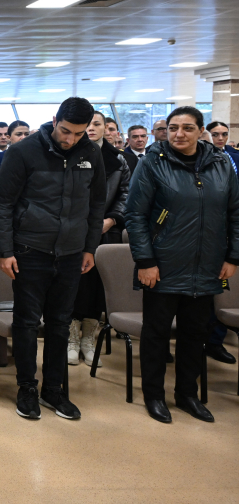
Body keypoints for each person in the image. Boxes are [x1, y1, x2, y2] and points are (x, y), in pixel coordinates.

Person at [0, 97, 105, 421]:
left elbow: (97, 206)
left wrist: (90, 248)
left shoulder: (91, 153)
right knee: (27, 323)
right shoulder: (24, 151)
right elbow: (1, 204)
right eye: (66, 130)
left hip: (70, 254)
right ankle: (27, 388)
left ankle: (54, 389)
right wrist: (4, 251)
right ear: (54, 120)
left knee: (59, 323)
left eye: (79, 133)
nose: (70, 139)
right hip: (30, 250)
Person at [125, 106, 239, 424]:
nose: (179, 134)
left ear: (201, 131)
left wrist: (233, 256)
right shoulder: (153, 163)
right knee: (157, 333)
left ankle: (187, 394)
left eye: (187, 128)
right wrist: (145, 260)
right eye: (174, 127)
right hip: (163, 264)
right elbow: (135, 216)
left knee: (195, 333)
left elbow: (235, 212)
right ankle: (154, 395)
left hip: (208, 265)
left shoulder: (220, 164)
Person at [68, 111, 130, 366]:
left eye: (97, 124)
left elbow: (126, 194)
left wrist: (112, 219)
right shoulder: (71, 154)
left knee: (97, 288)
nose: (91, 128)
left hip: (106, 232)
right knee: (74, 284)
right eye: (88, 124)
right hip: (74, 230)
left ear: (108, 128)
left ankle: (88, 340)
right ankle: (71, 338)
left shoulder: (118, 160)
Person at [194, 121, 239, 365]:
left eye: (224, 134)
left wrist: (233, 255)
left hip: (217, 242)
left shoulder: (228, 162)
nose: (220, 138)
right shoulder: (161, 163)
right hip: (185, 245)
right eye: (216, 134)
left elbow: (234, 208)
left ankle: (215, 342)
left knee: (218, 298)